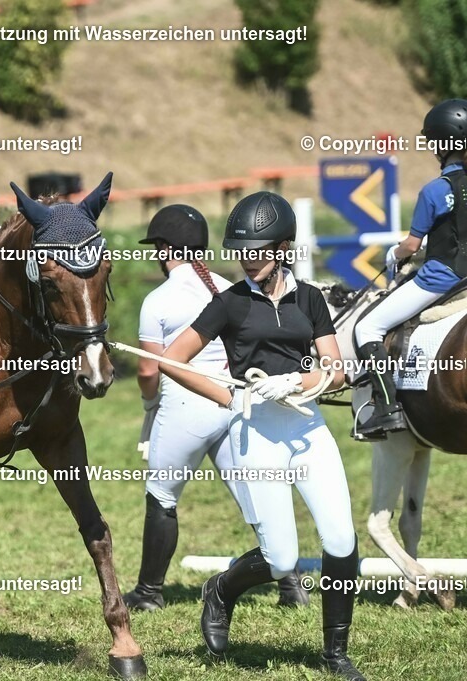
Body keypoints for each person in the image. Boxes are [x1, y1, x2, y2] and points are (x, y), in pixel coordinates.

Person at [160, 192, 365, 680]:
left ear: (284, 248)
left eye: (257, 251)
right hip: (257, 434)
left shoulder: (310, 298)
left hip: (307, 428)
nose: (248, 261)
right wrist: (230, 398)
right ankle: (221, 591)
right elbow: (171, 359)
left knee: (341, 540)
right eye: (242, 252)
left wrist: (297, 380)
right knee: (282, 559)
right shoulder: (228, 303)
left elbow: (335, 372)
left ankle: (335, 654)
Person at [124, 204, 308, 611]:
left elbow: (148, 369)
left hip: (187, 405)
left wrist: (148, 404)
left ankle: (149, 593)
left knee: (162, 496)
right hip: (235, 402)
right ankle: (291, 585)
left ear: (165, 248)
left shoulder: (159, 299)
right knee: (252, 495)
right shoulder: (233, 287)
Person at [353, 99, 467, 439]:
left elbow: (413, 247)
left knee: (367, 326)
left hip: (440, 279)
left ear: (439, 145)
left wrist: (394, 254)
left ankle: (386, 409)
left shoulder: (435, 191)